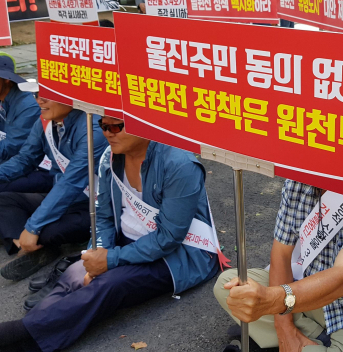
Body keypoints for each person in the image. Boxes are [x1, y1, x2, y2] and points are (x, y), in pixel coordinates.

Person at [0, 116, 221, 352]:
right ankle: (33, 331)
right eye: (103, 125)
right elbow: (103, 216)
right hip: (126, 240)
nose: (107, 132)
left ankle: (19, 335)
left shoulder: (179, 164)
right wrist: (98, 253)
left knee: (109, 285)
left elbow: (169, 238)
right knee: (76, 274)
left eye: (116, 126)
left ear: (143, 123)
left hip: (176, 254)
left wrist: (110, 260)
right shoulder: (110, 157)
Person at [214, 180, 343, 352]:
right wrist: (285, 330)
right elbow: (281, 255)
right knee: (230, 287)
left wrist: (269, 301)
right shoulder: (298, 182)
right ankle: (311, 339)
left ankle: (305, 338)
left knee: (255, 301)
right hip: (305, 292)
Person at [0, 86, 107, 281]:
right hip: (60, 193)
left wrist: (33, 227)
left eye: (48, 95)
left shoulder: (93, 128)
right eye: (37, 95)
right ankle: (25, 244)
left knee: (46, 228)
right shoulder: (45, 121)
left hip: (91, 204)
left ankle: (31, 240)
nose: (40, 100)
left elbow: (72, 182)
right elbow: (25, 159)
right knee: (4, 200)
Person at [0, 55, 52, 194]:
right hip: (17, 162)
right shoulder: (4, 100)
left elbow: (13, 149)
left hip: (41, 169)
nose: (40, 101)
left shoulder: (28, 106)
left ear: (6, 80)